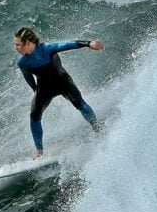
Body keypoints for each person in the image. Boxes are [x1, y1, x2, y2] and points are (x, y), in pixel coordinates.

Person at [14, 26, 104, 158]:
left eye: (18, 45)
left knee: (80, 104)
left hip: (63, 83)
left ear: (28, 43)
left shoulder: (47, 49)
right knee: (34, 117)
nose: (16, 48)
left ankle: (97, 128)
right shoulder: (22, 62)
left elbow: (68, 44)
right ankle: (39, 152)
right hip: (44, 88)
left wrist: (88, 43)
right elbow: (28, 77)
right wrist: (36, 91)